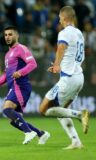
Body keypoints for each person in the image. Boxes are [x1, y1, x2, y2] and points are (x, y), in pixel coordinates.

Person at [0, 26, 50, 145]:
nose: (7, 37)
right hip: (14, 87)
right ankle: (41, 134)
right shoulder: (7, 54)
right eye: (6, 35)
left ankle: (28, 132)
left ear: (16, 36)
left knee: (7, 109)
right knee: (14, 121)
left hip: (21, 86)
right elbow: (6, 76)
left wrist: (20, 72)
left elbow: (33, 64)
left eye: (10, 34)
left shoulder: (21, 49)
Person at [39, 6, 89, 149]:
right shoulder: (79, 33)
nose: (59, 21)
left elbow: (61, 47)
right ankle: (76, 141)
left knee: (43, 109)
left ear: (65, 18)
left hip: (69, 78)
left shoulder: (65, 33)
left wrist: (56, 65)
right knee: (61, 111)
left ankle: (80, 114)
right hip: (79, 77)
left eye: (60, 18)